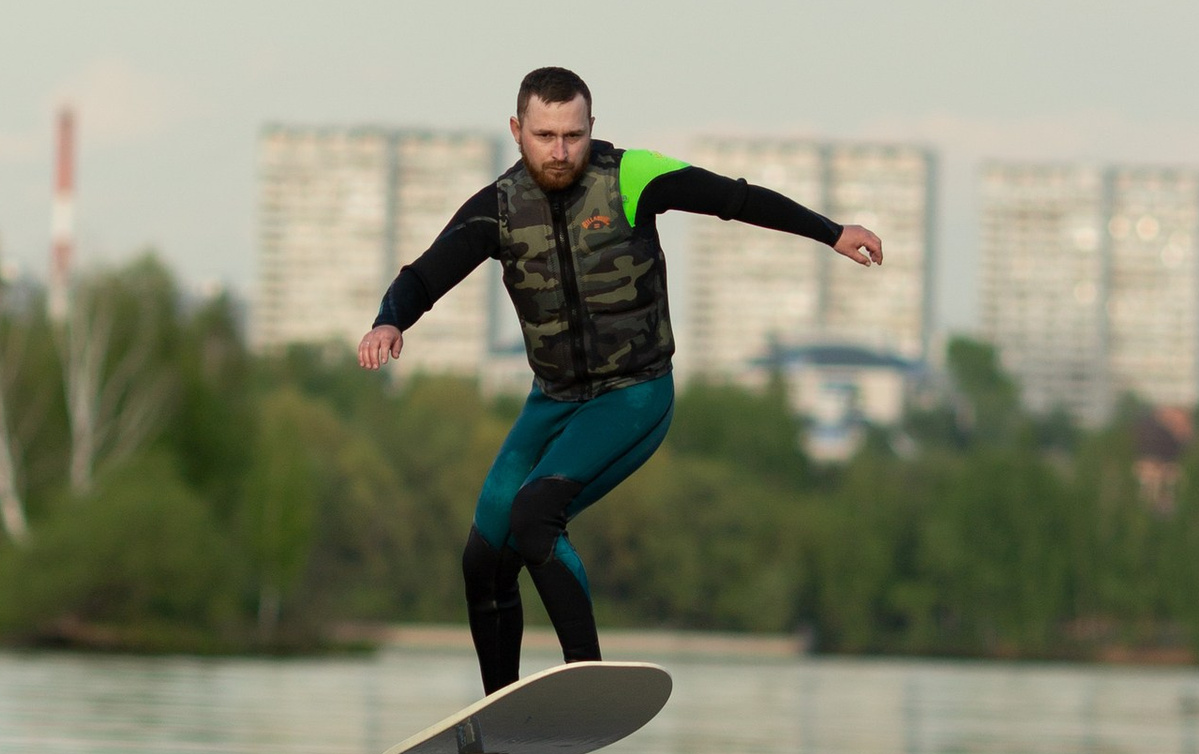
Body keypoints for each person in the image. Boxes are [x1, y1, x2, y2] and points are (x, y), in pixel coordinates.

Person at [357, 67, 883, 691]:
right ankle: (498, 709)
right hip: (552, 400)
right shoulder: (498, 207)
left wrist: (831, 232)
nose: (559, 151)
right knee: (483, 558)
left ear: (591, 129)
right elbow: (423, 276)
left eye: (573, 136)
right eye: (545, 135)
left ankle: (588, 679)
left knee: (534, 517)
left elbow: (734, 198)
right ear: (516, 130)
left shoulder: (629, 177)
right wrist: (390, 321)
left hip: (633, 394)